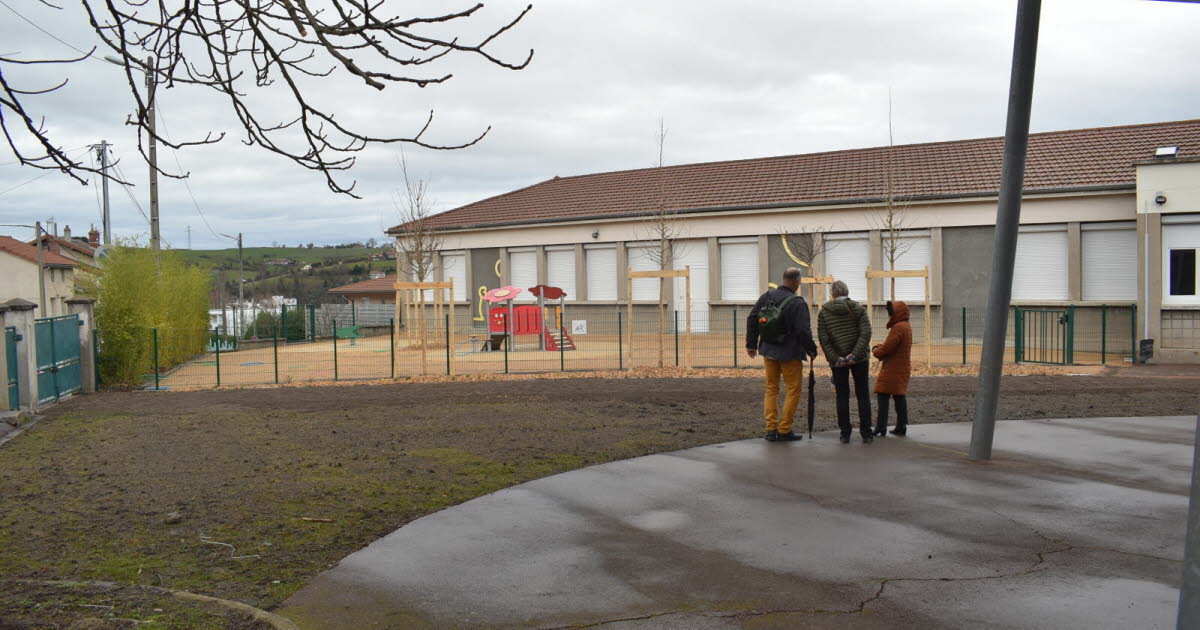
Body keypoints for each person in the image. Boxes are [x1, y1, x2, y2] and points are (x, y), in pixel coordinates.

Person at [746, 268, 819, 442]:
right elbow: (803, 330)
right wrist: (811, 349)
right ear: (796, 281)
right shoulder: (798, 303)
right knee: (793, 390)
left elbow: (752, 318)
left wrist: (751, 344)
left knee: (771, 389)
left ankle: (771, 430)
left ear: (783, 279)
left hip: (768, 350)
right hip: (790, 353)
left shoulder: (767, 296)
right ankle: (785, 429)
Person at [817, 280, 873, 444]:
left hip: (838, 361)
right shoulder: (858, 308)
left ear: (832, 293)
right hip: (860, 358)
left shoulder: (824, 312)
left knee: (842, 396)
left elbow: (824, 339)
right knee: (863, 394)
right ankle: (866, 433)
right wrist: (855, 354)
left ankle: (845, 433)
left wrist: (836, 358)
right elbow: (866, 333)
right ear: (847, 291)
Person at [873, 300, 913, 437]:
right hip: (902, 367)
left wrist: (876, 350)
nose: (890, 316)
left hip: (892, 368)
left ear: (896, 313)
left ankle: (880, 427)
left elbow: (887, 348)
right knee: (899, 395)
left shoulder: (898, 328)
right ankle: (901, 426)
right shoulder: (906, 326)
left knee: (883, 394)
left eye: (891, 313)